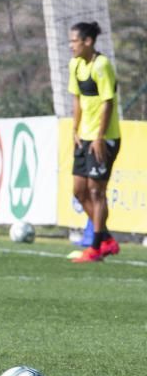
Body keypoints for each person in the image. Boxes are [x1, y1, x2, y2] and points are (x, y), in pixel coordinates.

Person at [67, 21, 121, 263]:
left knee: (96, 191)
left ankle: (97, 247)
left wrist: (99, 137)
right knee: (79, 191)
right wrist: (75, 129)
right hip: (84, 136)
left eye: (74, 41)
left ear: (87, 42)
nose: (71, 46)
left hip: (104, 137)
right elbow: (77, 99)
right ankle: (107, 239)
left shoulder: (102, 65)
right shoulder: (75, 65)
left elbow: (107, 103)